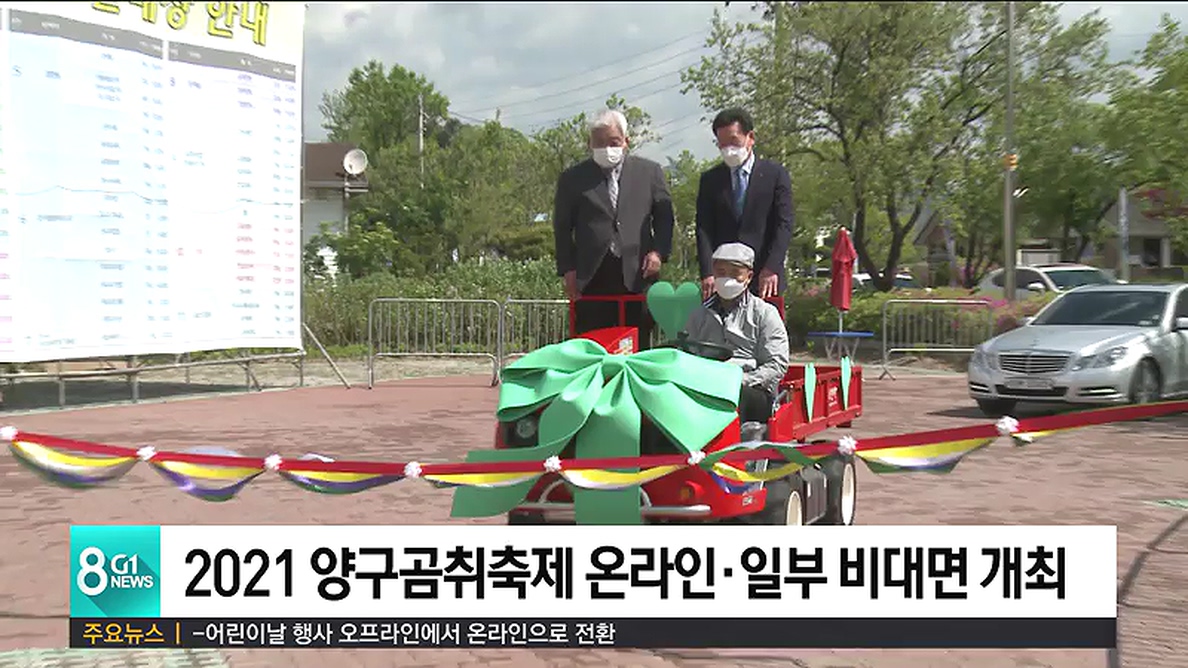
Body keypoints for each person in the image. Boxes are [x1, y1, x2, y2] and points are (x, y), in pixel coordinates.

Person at [552, 109, 675, 346]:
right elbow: (562, 227)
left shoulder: (650, 172)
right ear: (589, 144)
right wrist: (568, 269)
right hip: (592, 277)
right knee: (593, 344)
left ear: (626, 141)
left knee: (637, 344)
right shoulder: (572, 178)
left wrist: (658, 252)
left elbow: (664, 217)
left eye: (614, 142)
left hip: (638, 274)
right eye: (599, 143)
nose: (607, 148)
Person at [694, 108, 795, 301]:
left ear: (750, 138)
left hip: (764, 277)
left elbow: (784, 223)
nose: (728, 149)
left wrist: (772, 267)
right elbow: (703, 228)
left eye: (734, 141)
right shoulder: (710, 180)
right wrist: (708, 272)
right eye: (722, 143)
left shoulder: (775, 175)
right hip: (723, 279)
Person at [685, 242, 790, 424]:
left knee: (736, 396)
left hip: (751, 388)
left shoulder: (764, 313)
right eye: (721, 272)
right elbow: (687, 354)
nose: (727, 279)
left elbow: (776, 364)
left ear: (749, 277)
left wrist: (742, 380)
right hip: (707, 384)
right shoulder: (699, 314)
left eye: (735, 273)